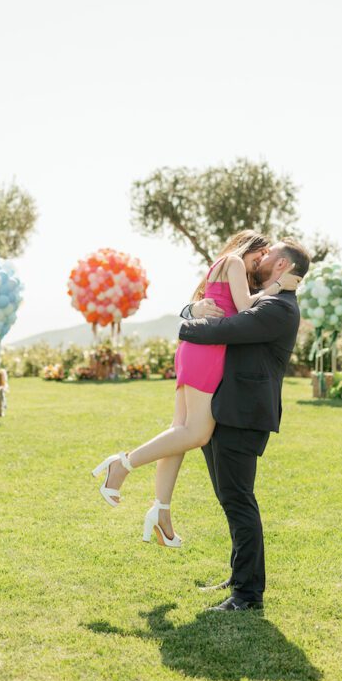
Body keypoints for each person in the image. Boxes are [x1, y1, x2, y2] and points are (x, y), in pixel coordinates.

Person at [90, 231, 298, 547]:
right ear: (250, 249)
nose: (259, 263)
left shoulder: (222, 266)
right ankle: (122, 464)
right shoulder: (234, 262)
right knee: (197, 433)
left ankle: (161, 511)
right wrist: (278, 287)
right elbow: (244, 308)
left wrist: (193, 310)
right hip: (207, 351)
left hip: (194, 349)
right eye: (259, 256)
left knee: (179, 431)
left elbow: (210, 304)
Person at [178, 238, 310, 611]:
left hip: (244, 414)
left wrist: (185, 324)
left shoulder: (278, 308)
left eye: (269, 255)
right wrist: (194, 309)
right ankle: (240, 578)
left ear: (282, 266)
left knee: (238, 500)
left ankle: (248, 594)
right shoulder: (267, 298)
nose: (261, 258)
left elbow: (225, 329)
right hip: (224, 409)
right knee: (229, 498)